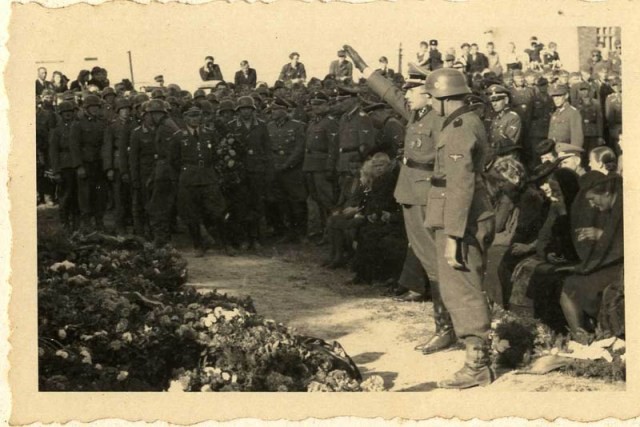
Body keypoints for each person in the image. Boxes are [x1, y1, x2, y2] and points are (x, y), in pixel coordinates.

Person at [343, 45, 456, 354]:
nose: (406, 94)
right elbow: (390, 93)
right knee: (427, 259)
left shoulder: (440, 119)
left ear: (429, 92)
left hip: (427, 197)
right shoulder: (417, 113)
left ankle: (446, 328)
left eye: (413, 89)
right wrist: (365, 68)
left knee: (436, 263)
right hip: (409, 194)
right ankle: (445, 326)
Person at [423, 67, 495, 389]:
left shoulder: (459, 128)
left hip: (460, 218)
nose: (429, 102)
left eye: (431, 96)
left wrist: (453, 235)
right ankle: (475, 356)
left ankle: (477, 364)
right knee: (459, 286)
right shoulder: (461, 121)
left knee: (461, 288)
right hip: (457, 213)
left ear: (442, 98)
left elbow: (461, 184)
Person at [558, 173, 623, 340]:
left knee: (570, 287)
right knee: (570, 281)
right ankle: (583, 335)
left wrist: (601, 235)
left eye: (593, 199)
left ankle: (581, 337)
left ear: (607, 194)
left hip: (623, 269)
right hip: (616, 265)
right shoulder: (613, 207)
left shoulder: (624, 207)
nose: (592, 205)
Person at [170, 105, 231, 256]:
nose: (194, 119)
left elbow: (217, 155)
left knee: (218, 211)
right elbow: (174, 160)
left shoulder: (209, 134)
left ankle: (225, 244)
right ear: (185, 119)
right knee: (192, 214)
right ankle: (198, 245)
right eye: (191, 116)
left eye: (197, 116)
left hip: (208, 177)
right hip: (188, 178)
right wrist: (186, 172)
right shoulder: (178, 136)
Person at [350, 153, 405, 284]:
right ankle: (364, 274)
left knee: (368, 234)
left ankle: (365, 275)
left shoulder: (389, 179)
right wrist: (372, 213)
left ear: (388, 165)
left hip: (390, 219)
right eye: (375, 166)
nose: (379, 168)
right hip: (381, 217)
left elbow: (386, 203)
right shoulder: (378, 179)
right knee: (365, 232)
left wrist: (377, 214)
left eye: (382, 165)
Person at [229, 96, 273, 249]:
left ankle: (255, 238)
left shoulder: (261, 126)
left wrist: (267, 171)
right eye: (242, 109)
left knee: (257, 204)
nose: (245, 111)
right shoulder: (232, 126)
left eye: (248, 108)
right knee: (241, 205)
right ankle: (243, 238)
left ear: (253, 110)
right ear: (238, 111)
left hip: (257, 171)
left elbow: (267, 150)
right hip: (239, 172)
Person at [266, 97, 308, 242]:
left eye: (277, 109)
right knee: (282, 202)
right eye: (272, 110)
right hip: (276, 169)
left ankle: (301, 232)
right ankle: (288, 232)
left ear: (285, 111)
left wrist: (288, 164)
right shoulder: (269, 126)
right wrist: (273, 165)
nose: (273, 112)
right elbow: (267, 149)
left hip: (292, 170)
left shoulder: (298, 126)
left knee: (297, 201)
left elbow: (299, 148)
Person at [303, 91, 339, 244]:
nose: (315, 107)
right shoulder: (313, 122)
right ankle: (323, 231)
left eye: (319, 104)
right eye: (314, 104)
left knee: (327, 200)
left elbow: (333, 147)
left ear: (327, 105)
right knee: (317, 199)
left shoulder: (330, 122)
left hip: (322, 165)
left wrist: (330, 167)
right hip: (310, 164)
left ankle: (332, 233)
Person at [69, 94, 108, 231]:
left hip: (99, 163)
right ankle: (86, 222)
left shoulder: (102, 122)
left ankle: (99, 221)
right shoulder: (78, 124)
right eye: (92, 107)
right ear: (86, 108)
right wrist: (79, 166)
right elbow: (74, 146)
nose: (95, 109)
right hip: (86, 163)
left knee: (100, 194)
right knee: (85, 195)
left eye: (97, 107)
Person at [102, 97, 135, 234]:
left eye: (127, 109)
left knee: (132, 195)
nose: (125, 112)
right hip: (117, 164)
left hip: (132, 162)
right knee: (119, 196)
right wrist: (109, 168)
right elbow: (108, 148)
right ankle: (120, 226)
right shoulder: (113, 126)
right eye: (123, 110)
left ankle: (132, 224)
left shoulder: (134, 125)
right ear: (118, 111)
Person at [49, 101, 79, 230]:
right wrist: (56, 171)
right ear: (60, 114)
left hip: (78, 165)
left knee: (77, 196)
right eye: (65, 112)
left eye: (70, 112)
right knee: (65, 195)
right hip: (65, 166)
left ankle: (76, 223)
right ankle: (64, 222)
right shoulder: (57, 131)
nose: (68, 114)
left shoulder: (78, 127)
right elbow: (53, 152)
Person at [486, 84, 522, 162]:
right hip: (495, 157)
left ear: (506, 100)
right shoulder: (495, 117)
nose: (494, 104)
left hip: (508, 159)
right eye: (492, 101)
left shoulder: (513, 117)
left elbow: (510, 142)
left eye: (497, 100)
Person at [575, 82, 604, 163]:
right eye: (581, 90)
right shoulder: (576, 104)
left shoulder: (596, 103)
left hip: (593, 133)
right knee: (581, 155)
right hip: (581, 133)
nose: (584, 92)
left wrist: (600, 136)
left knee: (592, 154)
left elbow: (599, 120)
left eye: (585, 90)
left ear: (589, 91)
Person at [548, 84, 584, 148]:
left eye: (559, 96)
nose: (556, 99)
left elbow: (577, 138)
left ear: (566, 96)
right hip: (554, 149)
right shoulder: (555, 113)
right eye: (554, 97)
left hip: (566, 150)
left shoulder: (573, 112)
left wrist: (574, 153)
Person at [605, 76, 622, 153]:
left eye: (618, 85)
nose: (616, 87)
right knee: (618, 148)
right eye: (613, 85)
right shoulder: (610, 98)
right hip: (616, 126)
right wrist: (611, 128)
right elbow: (608, 114)